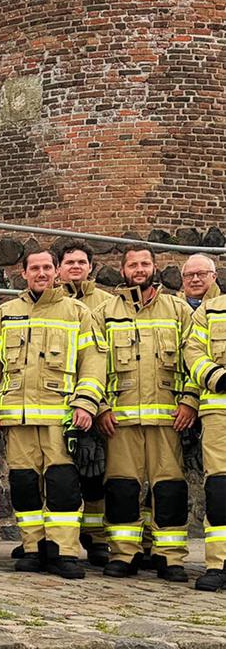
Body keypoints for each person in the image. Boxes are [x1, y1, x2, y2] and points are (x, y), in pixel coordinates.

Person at [0, 249, 107, 578]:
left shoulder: (77, 312)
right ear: (24, 272)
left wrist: (85, 403)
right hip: (16, 420)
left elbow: (93, 362)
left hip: (60, 418)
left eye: (48, 267)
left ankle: (63, 552)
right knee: (24, 485)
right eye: (35, 268)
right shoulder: (4, 314)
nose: (42, 273)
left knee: (63, 485)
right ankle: (33, 548)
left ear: (57, 271)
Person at [94, 245, 196, 581]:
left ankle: (170, 557)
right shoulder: (105, 312)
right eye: (133, 264)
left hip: (169, 416)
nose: (139, 269)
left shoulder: (178, 309)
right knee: (122, 488)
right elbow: (96, 364)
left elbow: (192, 357)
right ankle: (125, 554)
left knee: (169, 488)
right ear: (122, 270)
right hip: (119, 419)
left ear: (155, 267)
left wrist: (190, 401)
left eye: (145, 263)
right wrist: (102, 407)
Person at [56, 239, 115, 565]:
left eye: (81, 262)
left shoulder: (107, 304)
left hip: (95, 402)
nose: (75, 267)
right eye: (69, 262)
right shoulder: (47, 303)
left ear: (90, 266)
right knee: (55, 477)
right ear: (59, 268)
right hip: (55, 404)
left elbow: (106, 360)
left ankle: (95, 539)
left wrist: (98, 404)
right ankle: (46, 539)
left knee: (94, 474)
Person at [183, 281, 226, 591]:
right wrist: (219, 378)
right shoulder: (210, 310)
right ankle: (218, 563)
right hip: (219, 412)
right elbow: (193, 352)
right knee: (220, 488)